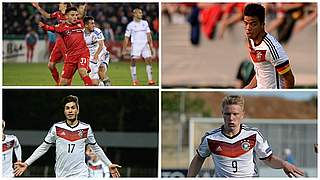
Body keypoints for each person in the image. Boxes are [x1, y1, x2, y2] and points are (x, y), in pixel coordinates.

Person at [187, 95, 304, 177]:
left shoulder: (253, 134)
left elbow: (268, 159)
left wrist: (283, 164)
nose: (231, 118)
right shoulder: (211, 138)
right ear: (222, 114)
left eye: (235, 114)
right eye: (227, 114)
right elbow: (199, 158)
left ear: (242, 114)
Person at [14, 95, 121, 177]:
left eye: (73, 108)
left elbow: (96, 148)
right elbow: (43, 147)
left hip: (81, 174)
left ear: (77, 110)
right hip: (61, 173)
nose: (70, 110)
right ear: (64, 111)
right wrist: (27, 163)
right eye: (67, 108)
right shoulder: (56, 128)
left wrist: (109, 164)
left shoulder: (86, 128)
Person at [32, 3, 87, 85]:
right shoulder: (58, 14)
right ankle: (58, 82)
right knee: (50, 65)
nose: (58, 6)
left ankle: (67, 84)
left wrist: (82, 8)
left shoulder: (72, 15)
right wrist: (38, 7)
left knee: (69, 65)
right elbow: (47, 15)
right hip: (59, 41)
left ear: (65, 5)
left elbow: (81, 17)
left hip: (68, 42)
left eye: (60, 4)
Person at [242, 3, 295, 89]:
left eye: (253, 24)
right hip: (258, 91)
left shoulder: (272, 48)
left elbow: (289, 78)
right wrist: (247, 88)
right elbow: (261, 69)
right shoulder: (251, 40)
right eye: (246, 23)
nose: (248, 28)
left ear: (262, 24)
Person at [122, 8, 156, 86]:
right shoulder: (130, 25)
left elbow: (148, 35)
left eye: (141, 13)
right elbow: (126, 37)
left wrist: (151, 46)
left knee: (148, 60)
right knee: (133, 60)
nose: (141, 14)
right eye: (139, 13)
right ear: (134, 14)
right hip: (136, 45)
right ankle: (134, 80)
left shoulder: (145, 23)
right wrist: (124, 49)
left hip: (144, 44)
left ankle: (150, 80)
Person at [84, 16, 111, 86]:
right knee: (94, 82)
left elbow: (101, 45)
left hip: (102, 54)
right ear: (86, 25)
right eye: (92, 23)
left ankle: (110, 88)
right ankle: (101, 85)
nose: (94, 25)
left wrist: (96, 55)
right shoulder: (81, 34)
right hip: (90, 58)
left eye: (94, 23)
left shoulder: (97, 31)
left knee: (101, 72)